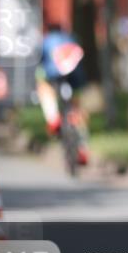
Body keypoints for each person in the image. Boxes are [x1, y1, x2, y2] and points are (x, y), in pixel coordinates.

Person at [37, 23, 89, 164]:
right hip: (75, 77)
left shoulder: (46, 40)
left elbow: (39, 60)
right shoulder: (71, 38)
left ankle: (53, 118)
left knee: (43, 88)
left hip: (54, 76)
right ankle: (83, 148)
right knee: (77, 108)